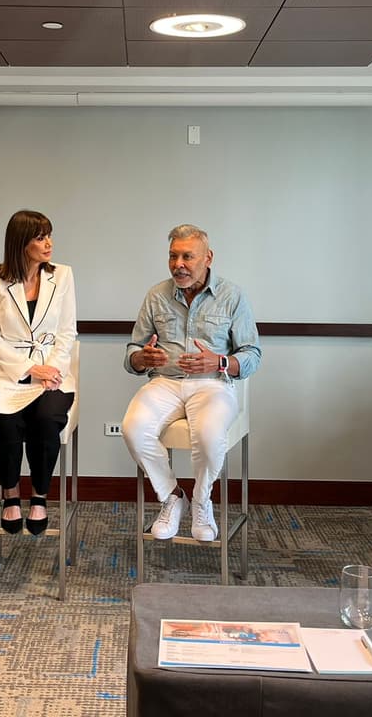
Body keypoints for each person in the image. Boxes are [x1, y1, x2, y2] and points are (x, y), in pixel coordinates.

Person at [122, 225, 261, 542]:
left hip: (212, 384)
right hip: (165, 383)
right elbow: (132, 351)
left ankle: (201, 502)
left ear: (208, 258)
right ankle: (173, 497)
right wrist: (142, 358)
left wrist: (220, 361)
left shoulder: (232, 295)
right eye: (173, 256)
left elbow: (252, 354)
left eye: (187, 256)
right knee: (133, 428)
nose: (178, 264)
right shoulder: (156, 295)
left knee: (210, 436)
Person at [0, 210, 76, 536]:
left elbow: (67, 332)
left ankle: (40, 495)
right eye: (40, 237)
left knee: (46, 419)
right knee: (6, 418)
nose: (49, 243)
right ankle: (11, 492)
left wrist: (51, 370)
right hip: (1, 375)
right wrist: (31, 368)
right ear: (21, 243)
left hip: (53, 374)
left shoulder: (63, 275)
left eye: (49, 235)